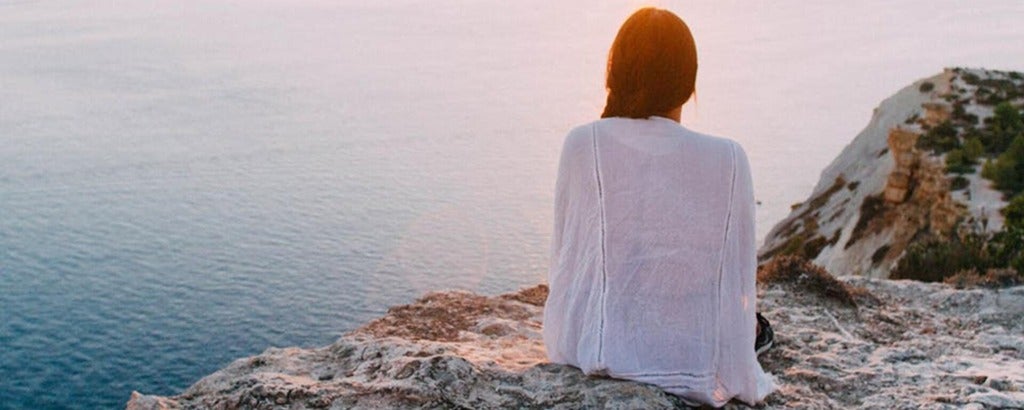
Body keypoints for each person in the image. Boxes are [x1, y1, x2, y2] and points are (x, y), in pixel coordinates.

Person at [542, 7, 775, 407]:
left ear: (615, 72)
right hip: (691, 352)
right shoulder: (730, 158)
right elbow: (736, 275)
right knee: (753, 327)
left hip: (596, 346)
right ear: (688, 82)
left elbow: (567, 261)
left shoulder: (582, 144)